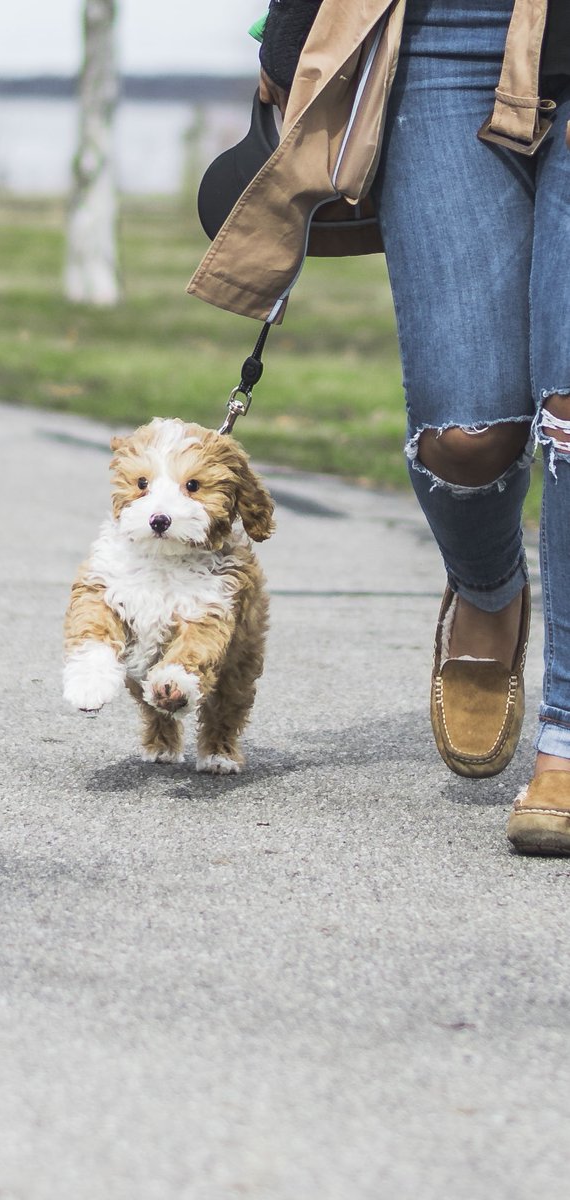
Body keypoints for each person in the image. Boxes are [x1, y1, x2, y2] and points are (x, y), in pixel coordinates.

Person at [195, 0, 570, 854]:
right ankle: (486, 587)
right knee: (468, 435)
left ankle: (566, 736)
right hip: (450, 33)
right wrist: (292, 36)